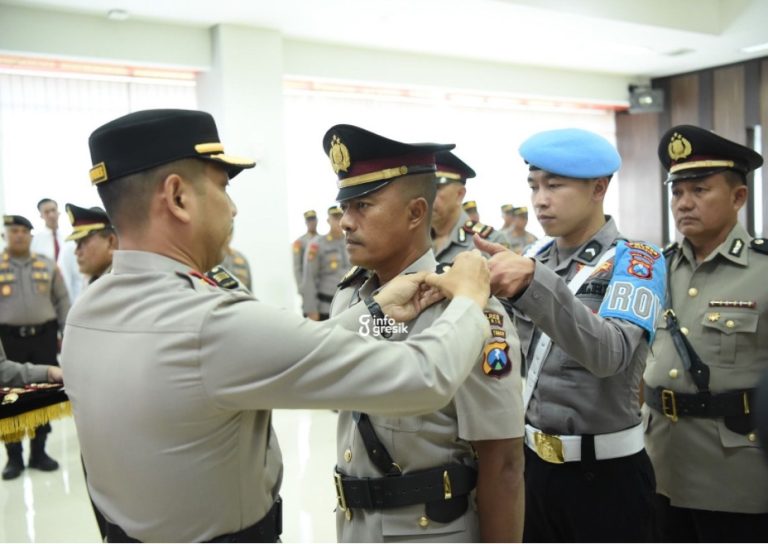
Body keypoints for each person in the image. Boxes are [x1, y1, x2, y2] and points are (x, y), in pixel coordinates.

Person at [61, 108, 495, 543]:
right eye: (222, 187)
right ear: (177, 197)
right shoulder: (210, 323)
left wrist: (375, 310)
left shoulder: (87, 313)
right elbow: (422, 378)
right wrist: (470, 298)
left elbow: (296, 351)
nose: (231, 207)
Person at [324, 124, 525, 542]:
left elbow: (503, 464)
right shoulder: (353, 301)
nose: (345, 222)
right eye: (345, 207)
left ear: (416, 213)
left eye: (363, 206)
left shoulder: (470, 312)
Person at [474, 128, 666, 542]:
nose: (540, 199)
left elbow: (610, 354)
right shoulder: (533, 259)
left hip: (606, 478)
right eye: (534, 186)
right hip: (533, 467)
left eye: (554, 185)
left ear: (598, 188)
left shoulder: (637, 262)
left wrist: (533, 286)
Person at [643, 125, 768, 541]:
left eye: (699, 190)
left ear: (738, 197)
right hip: (659, 465)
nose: (684, 203)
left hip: (737, 477)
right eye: (677, 193)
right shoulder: (654, 270)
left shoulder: (764, 271)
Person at [0, 214, 70, 480]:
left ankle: (39, 452)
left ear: (30, 235)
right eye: (13, 230)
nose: (18, 235)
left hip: (43, 337)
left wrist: (69, 333)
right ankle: (13, 457)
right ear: (5, 235)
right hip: (7, 341)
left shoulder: (47, 264)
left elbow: (62, 301)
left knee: (43, 392)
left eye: (23, 231)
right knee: (10, 396)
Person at [432, 151, 508, 265]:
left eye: (436, 188)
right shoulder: (414, 241)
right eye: (423, 188)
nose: (426, 195)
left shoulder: (490, 241)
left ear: (459, 194)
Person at [300, 206, 349, 320]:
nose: (338, 221)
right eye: (335, 218)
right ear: (328, 221)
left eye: (341, 217)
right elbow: (309, 278)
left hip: (349, 306)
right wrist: (311, 309)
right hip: (326, 307)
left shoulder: (351, 241)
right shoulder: (317, 244)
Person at [31, 198, 84, 302]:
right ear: (41, 215)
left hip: (73, 294)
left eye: (53, 210)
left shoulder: (70, 239)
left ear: (58, 212)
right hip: (47, 295)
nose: (51, 215)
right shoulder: (35, 242)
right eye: (46, 212)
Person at [65, 203, 118, 284]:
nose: (76, 252)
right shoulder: (97, 282)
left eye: (83, 242)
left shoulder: (122, 285)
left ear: (110, 242)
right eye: (76, 243)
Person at [292, 210, 318, 292]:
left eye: (313, 220)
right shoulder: (299, 242)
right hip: (307, 284)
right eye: (309, 220)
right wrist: (300, 286)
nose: (312, 223)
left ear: (317, 221)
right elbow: (297, 266)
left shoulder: (323, 240)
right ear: (306, 223)